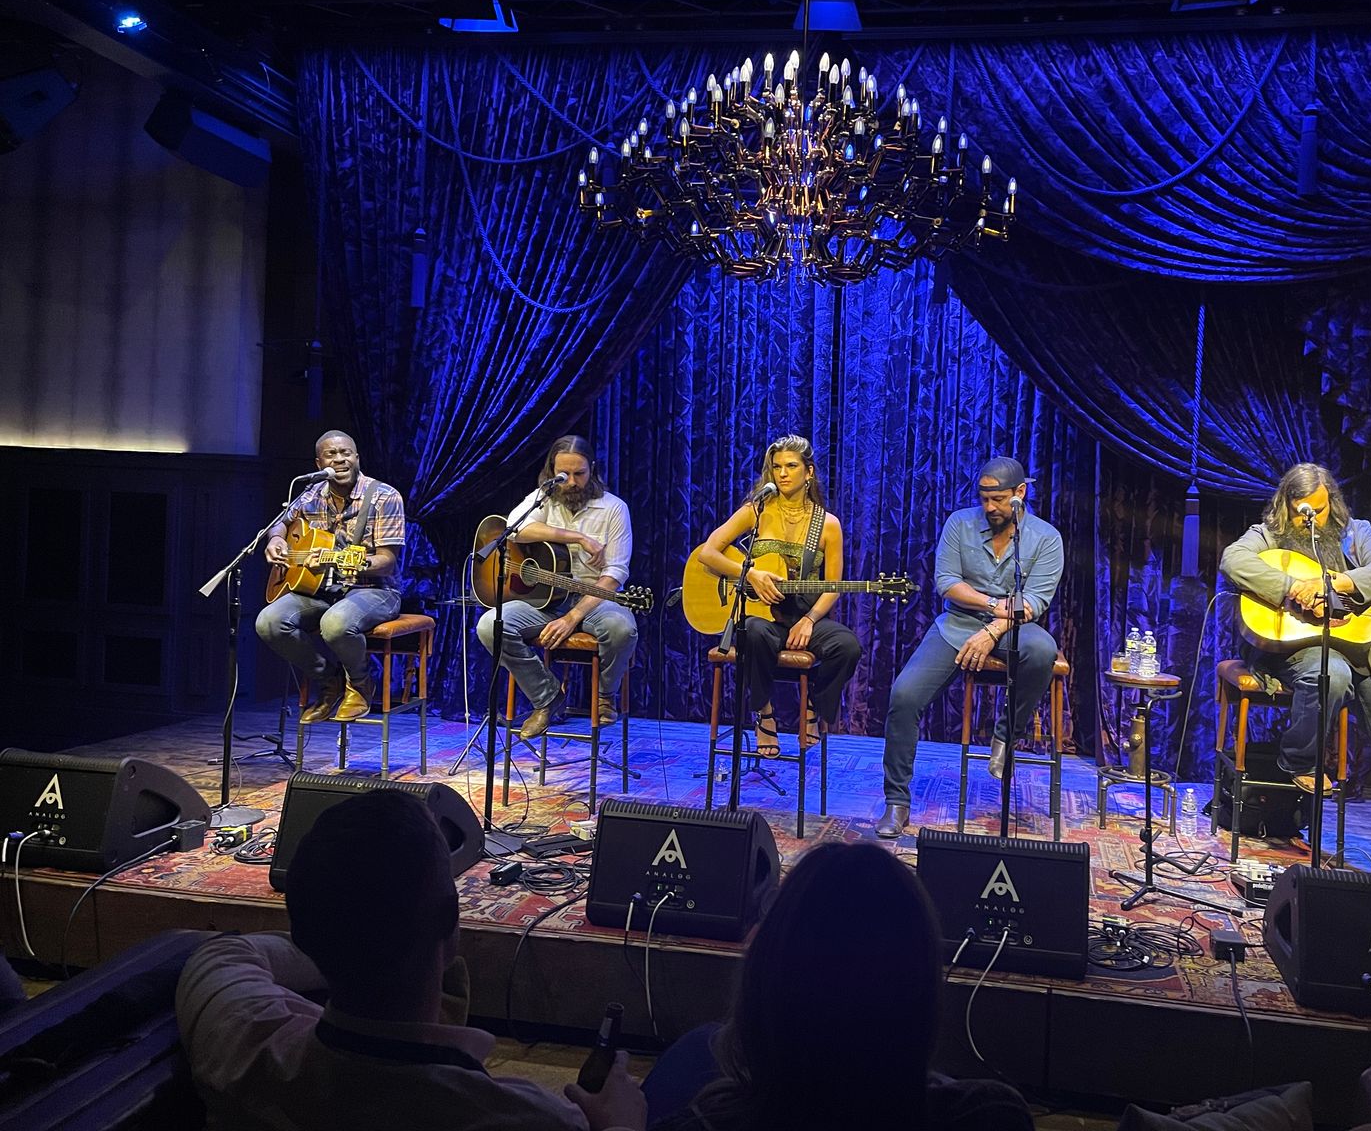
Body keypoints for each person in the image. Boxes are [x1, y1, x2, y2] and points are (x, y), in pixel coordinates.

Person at [176, 789, 645, 1131]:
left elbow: (221, 952)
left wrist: (346, 942)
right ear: (451, 925)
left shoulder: (239, 1046)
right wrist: (622, 1123)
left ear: (306, 933)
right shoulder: (526, 1117)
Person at [646, 842, 1033, 1131]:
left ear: (762, 976)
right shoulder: (992, 1114)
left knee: (700, 1046)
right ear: (925, 991)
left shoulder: (702, 1121)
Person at [1219, 462, 1371, 878]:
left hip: (1369, 652)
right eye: (1302, 512)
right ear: (1286, 504)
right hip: (1302, 648)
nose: (1310, 520)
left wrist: (1339, 585)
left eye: (1318, 510)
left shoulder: (1357, 532)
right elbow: (1233, 560)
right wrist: (1291, 588)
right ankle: (1299, 760)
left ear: (1330, 502)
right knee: (1331, 674)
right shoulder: (1267, 534)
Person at [875, 457, 1064, 839]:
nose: (990, 507)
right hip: (958, 624)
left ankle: (1006, 734)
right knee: (904, 695)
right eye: (984, 498)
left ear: (1020, 493)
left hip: (1014, 628)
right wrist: (993, 607)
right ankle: (896, 801)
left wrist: (993, 630)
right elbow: (947, 582)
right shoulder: (959, 524)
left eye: (998, 499)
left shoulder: (1046, 538)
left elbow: (1035, 601)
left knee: (1043, 651)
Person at [694, 435, 862, 756]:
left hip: (803, 617)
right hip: (763, 618)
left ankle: (813, 709)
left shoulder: (828, 525)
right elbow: (708, 553)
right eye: (777, 467)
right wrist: (750, 573)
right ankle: (764, 714)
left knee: (847, 646)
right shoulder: (755, 511)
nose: (782, 473)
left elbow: (833, 585)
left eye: (791, 466)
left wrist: (810, 620)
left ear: (809, 472)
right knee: (752, 631)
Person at [477, 435, 638, 741]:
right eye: (564, 475)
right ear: (552, 471)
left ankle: (605, 695)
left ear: (592, 469)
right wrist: (576, 537)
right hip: (546, 599)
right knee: (490, 626)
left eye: (580, 473)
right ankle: (548, 697)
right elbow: (514, 527)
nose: (572, 482)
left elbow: (615, 574)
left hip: (595, 598)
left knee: (622, 629)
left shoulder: (614, 509)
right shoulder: (545, 498)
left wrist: (572, 617)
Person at [256, 430, 406, 723]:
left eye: (346, 453)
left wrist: (342, 561)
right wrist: (276, 540)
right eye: (331, 454)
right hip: (320, 590)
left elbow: (386, 563)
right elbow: (281, 523)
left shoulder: (384, 497)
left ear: (357, 457)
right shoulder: (311, 494)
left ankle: (360, 684)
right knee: (269, 623)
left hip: (374, 590)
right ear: (319, 463)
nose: (339, 459)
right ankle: (329, 680)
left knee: (335, 623)